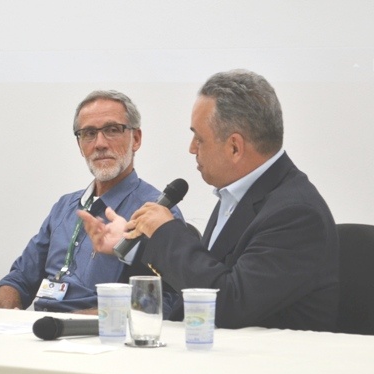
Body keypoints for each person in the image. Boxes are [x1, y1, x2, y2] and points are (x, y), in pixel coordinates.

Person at [79, 70, 339, 331]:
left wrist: (166, 232)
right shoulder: (239, 194)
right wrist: (135, 247)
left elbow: (228, 304)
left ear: (235, 147)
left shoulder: (296, 214)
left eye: (199, 138)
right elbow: (202, 279)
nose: (192, 148)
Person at [0, 90, 183, 314]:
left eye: (112, 130)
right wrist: (9, 314)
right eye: (89, 133)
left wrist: (80, 321)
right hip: (42, 331)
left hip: (102, 338)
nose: (100, 143)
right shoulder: (64, 207)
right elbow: (16, 280)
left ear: (136, 139)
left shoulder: (156, 211)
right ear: (80, 145)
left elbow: (167, 301)